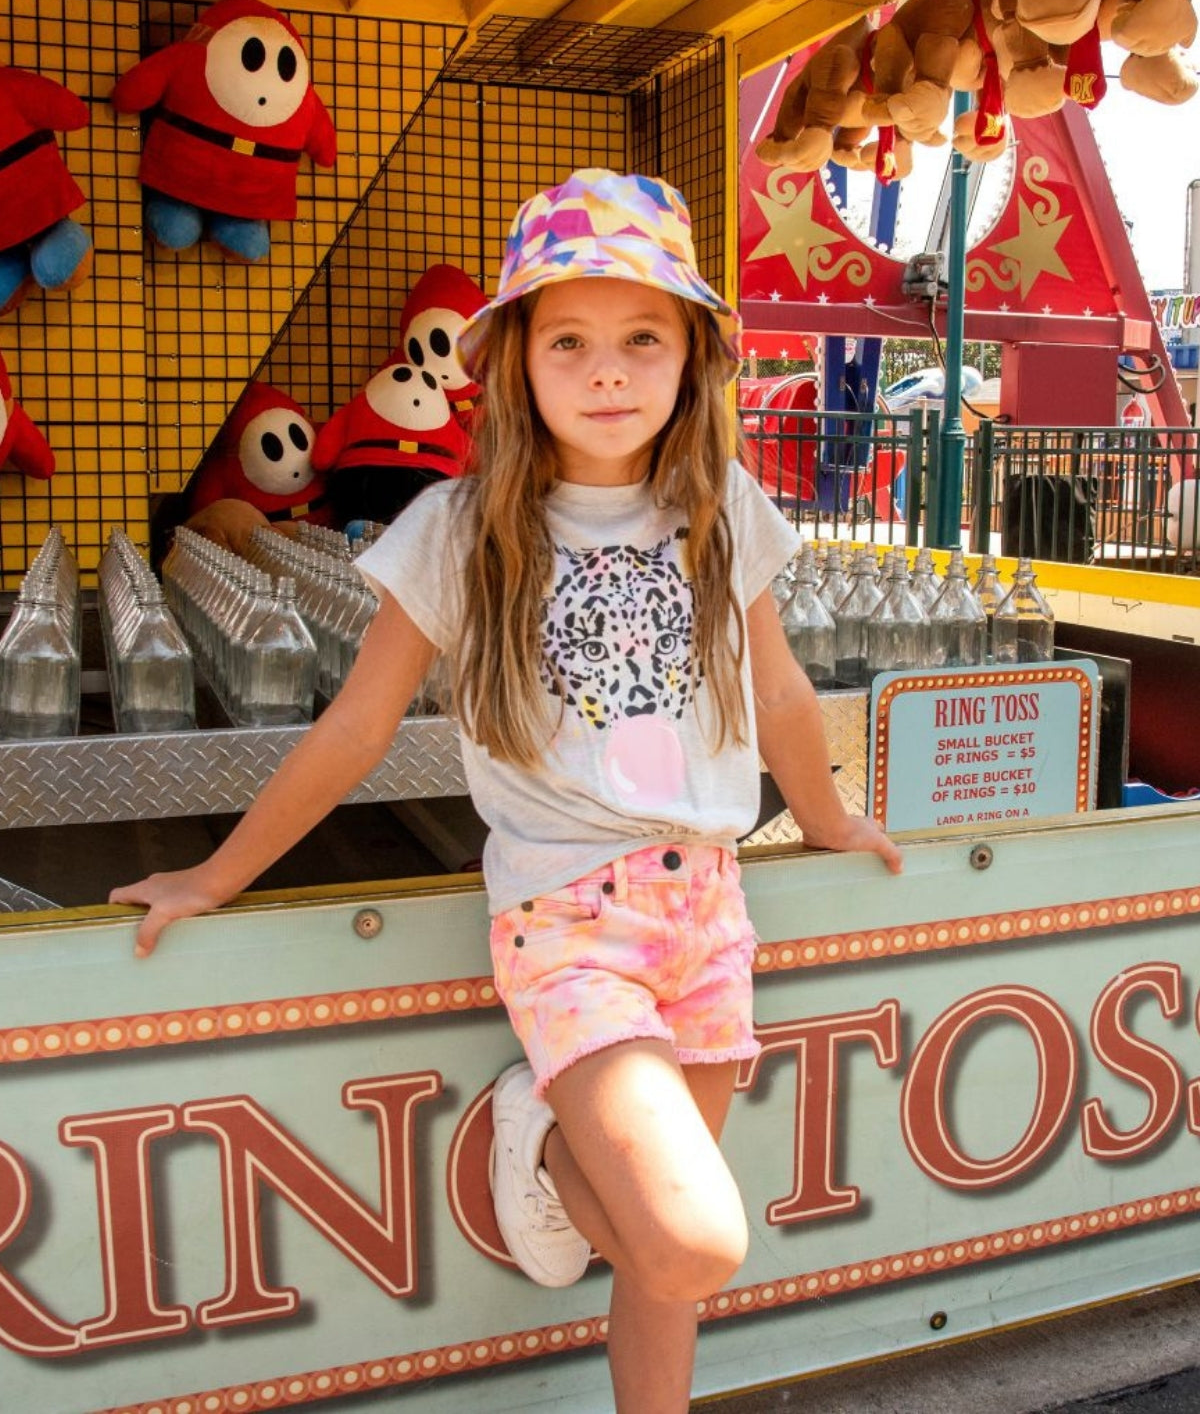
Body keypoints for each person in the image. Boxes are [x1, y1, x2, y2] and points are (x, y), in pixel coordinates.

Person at [111, 167, 902, 1414]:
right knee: (695, 1236)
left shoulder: (723, 507)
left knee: (660, 1269)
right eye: (571, 340)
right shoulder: (458, 524)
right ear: (518, 362)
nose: (608, 371)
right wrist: (217, 872)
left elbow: (785, 694)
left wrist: (832, 814)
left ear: (692, 356)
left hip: (710, 913)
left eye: (644, 338)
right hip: (569, 920)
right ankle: (530, 1133)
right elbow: (355, 728)